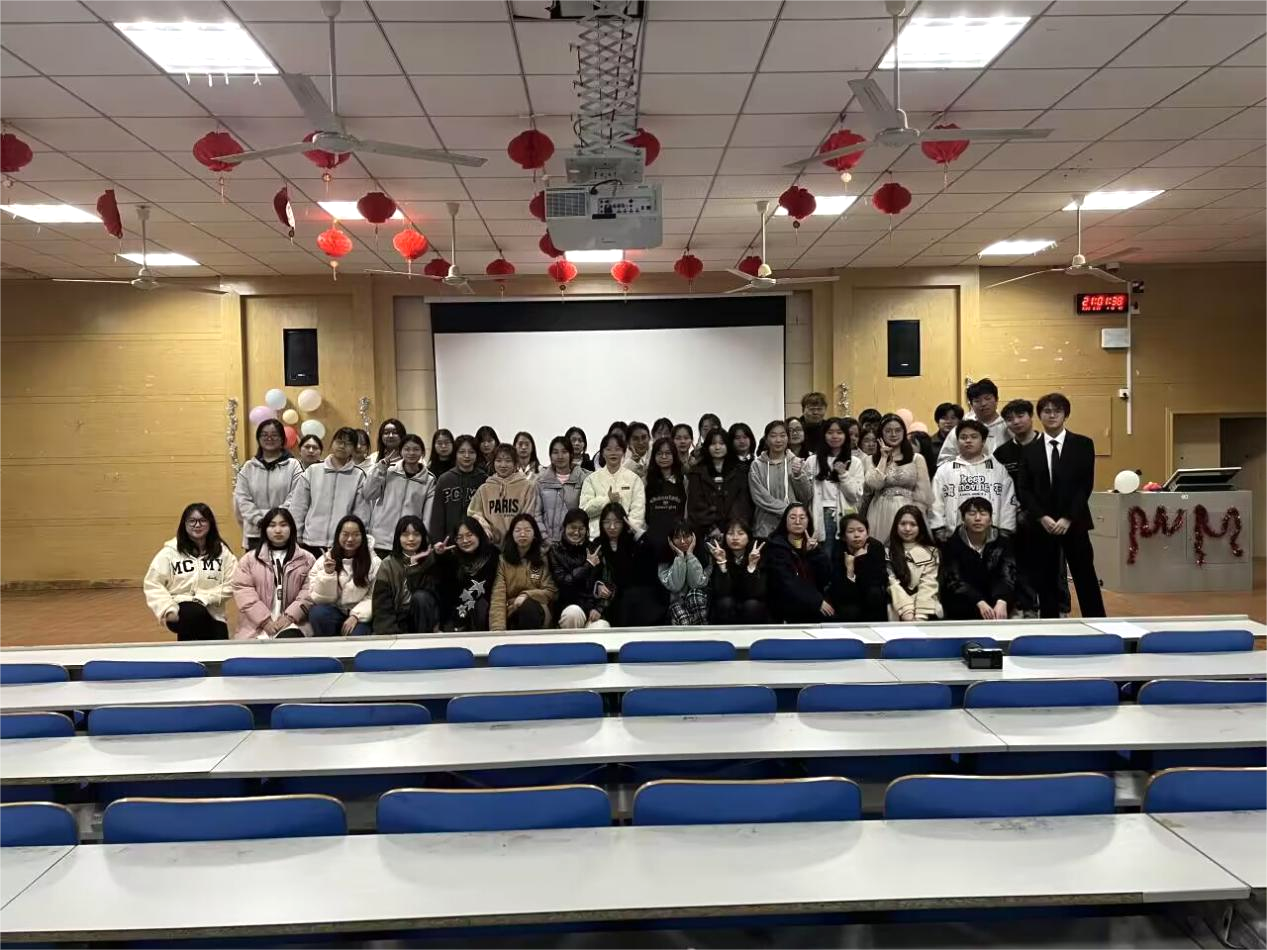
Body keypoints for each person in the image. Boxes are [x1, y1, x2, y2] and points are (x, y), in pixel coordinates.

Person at [1017, 392, 1107, 619]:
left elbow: (1085, 485)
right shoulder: (1029, 450)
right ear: (1039, 416)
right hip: (1043, 525)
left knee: (1085, 575)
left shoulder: (1083, 444)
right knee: (1045, 578)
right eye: (1046, 411)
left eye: (1057, 411)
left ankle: (1097, 621)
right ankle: (1050, 622)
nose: (1052, 415)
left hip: (1074, 522)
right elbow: (1024, 489)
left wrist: (1068, 518)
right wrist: (1042, 517)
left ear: (1065, 414)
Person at [143, 503, 237, 641]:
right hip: (180, 610)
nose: (197, 525)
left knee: (216, 641)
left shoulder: (222, 553)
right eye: (192, 521)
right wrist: (167, 609)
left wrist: (205, 598)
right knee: (194, 614)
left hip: (214, 613)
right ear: (184, 524)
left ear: (210, 524)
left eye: (202, 520)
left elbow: (234, 582)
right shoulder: (169, 553)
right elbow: (153, 583)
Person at [993, 399, 1045, 616]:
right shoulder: (1001, 453)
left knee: (1052, 565)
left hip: (1046, 517)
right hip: (1014, 517)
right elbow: (998, 486)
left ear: (1031, 417)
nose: (1015, 422)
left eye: (1020, 416)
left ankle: (1058, 608)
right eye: (1009, 419)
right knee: (1019, 562)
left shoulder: (1047, 446)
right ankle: (1027, 606)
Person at [231, 507, 315, 639]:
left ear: (292, 528)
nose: (278, 530)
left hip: (293, 625)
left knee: (290, 639)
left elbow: (309, 592)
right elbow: (243, 591)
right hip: (256, 627)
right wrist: (265, 621)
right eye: (272, 525)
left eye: (283, 525)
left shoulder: (307, 559)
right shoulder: (249, 560)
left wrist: (289, 617)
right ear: (265, 529)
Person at [286, 426, 371, 555]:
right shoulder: (313, 471)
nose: (342, 446)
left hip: (342, 544)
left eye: (348, 443)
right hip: (310, 541)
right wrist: (295, 535)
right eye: (339, 441)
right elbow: (298, 506)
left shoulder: (358, 476)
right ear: (332, 443)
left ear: (353, 449)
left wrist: (355, 540)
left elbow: (361, 513)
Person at [929, 418, 1016, 540]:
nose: (968, 441)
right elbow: (935, 501)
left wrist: (1006, 529)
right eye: (963, 437)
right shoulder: (945, 470)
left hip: (992, 537)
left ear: (983, 441)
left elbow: (1008, 501)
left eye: (974, 437)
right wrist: (938, 528)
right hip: (954, 537)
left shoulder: (998, 469)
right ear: (957, 441)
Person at [939, 496, 1016, 621]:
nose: (978, 518)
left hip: (996, 603)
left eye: (983, 514)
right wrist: (978, 601)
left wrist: (1002, 600)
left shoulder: (1003, 542)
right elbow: (953, 579)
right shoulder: (951, 544)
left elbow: (1008, 573)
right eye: (972, 513)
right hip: (962, 605)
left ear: (990, 519)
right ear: (963, 519)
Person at [363, 434, 436, 559]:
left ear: (422, 452)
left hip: (409, 542)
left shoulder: (429, 480)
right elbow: (368, 494)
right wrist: (379, 469)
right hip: (381, 540)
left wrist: (422, 539)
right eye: (407, 449)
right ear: (401, 451)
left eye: (416, 449)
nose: (411, 453)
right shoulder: (388, 471)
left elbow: (427, 516)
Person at [233, 418, 302, 550]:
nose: (269, 438)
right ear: (258, 439)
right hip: (255, 533)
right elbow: (242, 498)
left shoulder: (293, 466)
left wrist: (276, 521)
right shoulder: (248, 467)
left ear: (282, 438)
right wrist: (259, 519)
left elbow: (296, 496)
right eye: (264, 435)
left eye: (274, 435)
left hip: (283, 532)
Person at [593, 502, 665, 626]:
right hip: (610, 600)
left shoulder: (633, 541)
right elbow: (592, 574)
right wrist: (598, 586)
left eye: (617, 522)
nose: (612, 527)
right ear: (601, 523)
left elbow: (653, 557)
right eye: (607, 522)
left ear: (624, 522)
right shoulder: (597, 544)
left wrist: (639, 533)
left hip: (635, 598)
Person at [864, 413, 933, 541]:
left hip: (910, 511)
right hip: (880, 512)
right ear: (881, 434)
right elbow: (875, 484)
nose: (893, 434)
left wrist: (916, 516)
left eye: (898, 430)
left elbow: (924, 494)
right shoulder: (870, 460)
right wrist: (883, 458)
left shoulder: (916, 458)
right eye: (888, 431)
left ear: (904, 432)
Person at [308, 514, 379, 636]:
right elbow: (318, 598)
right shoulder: (325, 559)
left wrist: (356, 616)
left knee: (358, 635)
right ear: (338, 536)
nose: (350, 539)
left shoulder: (374, 562)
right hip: (334, 611)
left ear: (363, 536)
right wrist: (328, 574)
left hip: (360, 616)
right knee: (318, 613)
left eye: (356, 535)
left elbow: (375, 596)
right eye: (345, 534)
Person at [805, 417, 864, 562]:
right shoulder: (812, 461)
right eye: (830, 432)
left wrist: (843, 474)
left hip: (845, 515)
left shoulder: (855, 462)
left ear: (846, 435)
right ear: (824, 435)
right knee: (824, 558)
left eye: (839, 432)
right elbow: (805, 493)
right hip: (820, 514)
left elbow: (855, 496)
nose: (835, 436)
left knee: (844, 558)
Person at [763, 502, 833, 623]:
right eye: (792, 517)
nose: (797, 522)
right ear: (785, 521)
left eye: (802, 518)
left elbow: (825, 578)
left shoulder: (813, 545)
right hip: (785, 600)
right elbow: (786, 581)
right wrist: (816, 600)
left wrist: (815, 553)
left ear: (808, 521)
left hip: (813, 598)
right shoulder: (776, 546)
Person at [371, 515, 439, 635]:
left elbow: (430, 598)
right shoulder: (388, 564)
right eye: (405, 534)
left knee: (421, 597)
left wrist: (414, 566)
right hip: (397, 619)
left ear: (423, 537)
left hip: (422, 619)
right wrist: (390, 633)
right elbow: (382, 604)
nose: (411, 539)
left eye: (416, 534)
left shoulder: (430, 560)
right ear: (398, 537)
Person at [491, 513, 557, 631]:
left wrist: (526, 596)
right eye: (518, 530)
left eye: (527, 530)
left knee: (528, 607)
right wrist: (497, 631)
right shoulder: (503, 561)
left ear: (535, 534)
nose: (522, 534)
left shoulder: (542, 559)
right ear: (511, 534)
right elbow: (498, 596)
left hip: (538, 610)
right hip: (511, 612)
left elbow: (551, 591)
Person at [687, 428, 753, 547]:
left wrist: (729, 529)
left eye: (721, 443)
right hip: (704, 532)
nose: (717, 447)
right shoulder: (697, 472)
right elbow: (696, 504)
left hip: (734, 532)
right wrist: (712, 528)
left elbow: (742, 504)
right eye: (713, 444)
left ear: (728, 446)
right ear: (707, 446)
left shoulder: (740, 471)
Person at [749, 419, 813, 539]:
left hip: (793, 529)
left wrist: (798, 476)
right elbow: (760, 498)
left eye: (782, 435)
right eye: (773, 436)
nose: (778, 440)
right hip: (765, 528)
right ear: (766, 439)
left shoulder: (797, 462)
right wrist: (789, 511)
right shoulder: (757, 465)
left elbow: (806, 497)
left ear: (788, 438)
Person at [467, 443, 541, 545]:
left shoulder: (527, 487)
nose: (503, 465)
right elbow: (473, 513)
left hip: (519, 545)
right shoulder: (484, 489)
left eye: (508, 461)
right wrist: (486, 529)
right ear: (493, 463)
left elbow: (529, 516)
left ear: (515, 464)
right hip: (491, 546)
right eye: (498, 461)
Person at [433, 517, 498, 631]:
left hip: (485, 612)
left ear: (478, 534)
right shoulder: (452, 557)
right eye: (460, 537)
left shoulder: (493, 555)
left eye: (469, 535)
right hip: (456, 613)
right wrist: (440, 556)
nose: (465, 540)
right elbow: (444, 590)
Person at [579, 431, 646, 539]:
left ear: (623, 452)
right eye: (609, 449)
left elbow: (638, 511)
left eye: (617, 449)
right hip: (597, 538)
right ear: (602, 453)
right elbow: (584, 511)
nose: (613, 453)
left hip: (627, 539)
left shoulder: (634, 479)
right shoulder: (591, 479)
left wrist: (628, 531)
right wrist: (607, 500)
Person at [552, 509, 608, 629]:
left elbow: (607, 581)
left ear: (586, 530)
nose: (576, 532)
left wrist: (599, 608)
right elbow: (565, 582)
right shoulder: (555, 551)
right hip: (568, 607)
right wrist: (588, 565)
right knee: (573, 613)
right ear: (565, 527)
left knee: (602, 627)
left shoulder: (594, 549)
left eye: (581, 528)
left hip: (592, 610)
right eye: (573, 527)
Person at [830, 513, 889, 622]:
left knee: (874, 593)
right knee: (848, 609)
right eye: (851, 531)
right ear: (843, 536)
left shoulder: (876, 547)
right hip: (848, 599)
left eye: (861, 530)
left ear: (867, 533)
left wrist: (861, 560)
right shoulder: (838, 549)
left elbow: (876, 581)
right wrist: (850, 570)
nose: (856, 535)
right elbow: (839, 588)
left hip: (871, 597)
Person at [706, 519, 768, 624]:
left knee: (752, 605)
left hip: (752, 607)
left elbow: (756, 593)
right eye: (730, 534)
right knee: (725, 603)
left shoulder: (757, 555)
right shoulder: (720, 554)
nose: (735, 538)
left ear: (748, 537)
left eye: (740, 533)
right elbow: (721, 592)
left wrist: (752, 566)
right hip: (728, 608)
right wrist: (722, 563)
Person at [887, 504, 942, 622]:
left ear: (920, 527)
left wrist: (920, 615)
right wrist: (907, 611)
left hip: (924, 608)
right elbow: (892, 583)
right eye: (903, 524)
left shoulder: (932, 552)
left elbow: (929, 584)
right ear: (896, 526)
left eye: (913, 524)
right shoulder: (886, 552)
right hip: (896, 607)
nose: (907, 529)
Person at [429, 434, 487, 545]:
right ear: (455, 454)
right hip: (449, 542)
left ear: (477, 454)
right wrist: (437, 541)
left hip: (477, 542)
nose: (467, 456)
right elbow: (437, 516)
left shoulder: (484, 479)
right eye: (462, 452)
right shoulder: (445, 480)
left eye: (471, 452)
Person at [937, 379, 1009, 467]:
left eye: (987, 398)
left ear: (996, 399)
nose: (983, 404)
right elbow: (944, 460)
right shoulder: (962, 428)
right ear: (971, 404)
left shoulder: (1008, 426)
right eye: (977, 401)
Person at [658, 520, 712, 626]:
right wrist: (680, 557)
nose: (682, 541)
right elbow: (675, 586)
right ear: (670, 540)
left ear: (694, 536)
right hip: (675, 603)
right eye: (677, 537)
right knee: (684, 621)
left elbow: (696, 584)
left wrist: (690, 555)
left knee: (695, 596)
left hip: (700, 601)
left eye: (686, 536)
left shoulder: (706, 554)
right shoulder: (664, 559)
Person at [537, 436, 585, 545]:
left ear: (571, 454)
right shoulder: (541, 481)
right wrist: (544, 537)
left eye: (564, 452)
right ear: (550, 456)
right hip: (547, 543)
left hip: (575, 543)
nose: (560, 456)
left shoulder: (583, 479)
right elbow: (537, 514)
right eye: (555, 452)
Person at [644, 436, 688, 551]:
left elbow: (687, 510)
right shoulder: (646, 481)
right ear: (654, 456)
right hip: (653, 539)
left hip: (678, 539)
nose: (664, 457)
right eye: (659, 453)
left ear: (674, 455)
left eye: (668, 453)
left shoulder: (683, 481)